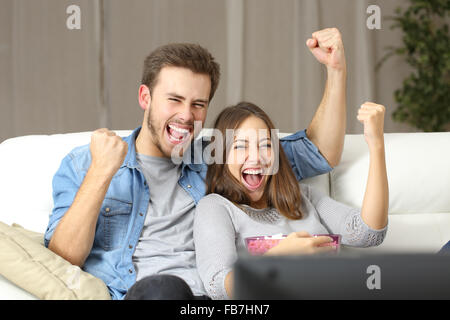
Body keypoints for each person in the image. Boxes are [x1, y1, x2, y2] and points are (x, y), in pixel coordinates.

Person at [44, 28, 347, 300]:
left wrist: (335, 71)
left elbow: (318, 152)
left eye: (198, 104)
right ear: (144, 97)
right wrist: (101, 173)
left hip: (214, 299)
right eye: (174, 100)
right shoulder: (85, 163)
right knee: (164, 289)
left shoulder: (219, 157)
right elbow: (63, 258)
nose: (187, 116)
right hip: (149, 294)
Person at [194, 101, 389, 300]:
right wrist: (278, 256)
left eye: (265, 145)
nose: (256, 157)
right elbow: (219, 289)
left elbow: (368, 233)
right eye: (240, 146)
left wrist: (376, 145)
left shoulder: (304, 197)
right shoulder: (215, 207)